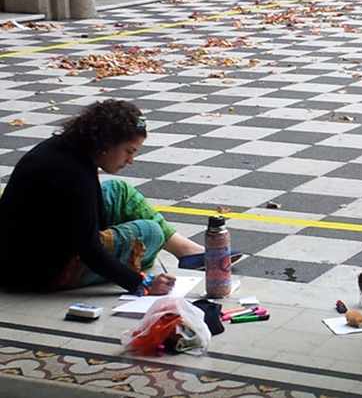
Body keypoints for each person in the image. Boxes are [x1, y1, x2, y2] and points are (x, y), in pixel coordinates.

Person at [0, 100, 233, 296]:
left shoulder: (66, 149)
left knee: (118, 189)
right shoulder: (73, 175)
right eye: (129, 151)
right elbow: (89, 250)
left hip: (31, 245)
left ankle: (187, 251)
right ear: (106, 144)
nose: (130, 160)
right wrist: (140, 283)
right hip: (38, 272)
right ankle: (174, 254)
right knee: (151, 232)